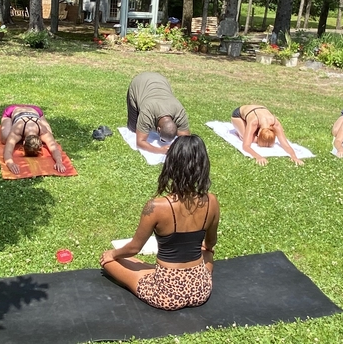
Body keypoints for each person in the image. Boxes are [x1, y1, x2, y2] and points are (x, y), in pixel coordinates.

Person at [100, 135, 220, 311]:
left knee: (108, 260)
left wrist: (113, 254)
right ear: (203, 165)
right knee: (207, 254)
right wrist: (206, 249)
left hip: (165, 293)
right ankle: (154, 270)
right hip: (200, 289)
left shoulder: (156, 206)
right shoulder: (212, 201)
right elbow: (210, 244)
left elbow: (134, 248)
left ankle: (136, 266)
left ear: (171, 164)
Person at [126, 72, 190, 154]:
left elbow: (187, 140)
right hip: (139, 82)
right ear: (158, 129)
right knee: (133, 129)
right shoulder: (147, 113)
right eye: (162, 140)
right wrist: (160, 150)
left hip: (161, 81)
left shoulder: (180, 112)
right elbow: (140, 142)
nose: (162, 142)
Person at [0, 104, 67, 175]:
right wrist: (10, 163)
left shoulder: (43, 130)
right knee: (5, 139)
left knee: (50, 134)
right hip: (12, 110)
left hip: (35, 111)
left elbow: (54, 149)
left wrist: (59, 162)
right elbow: (7, 151)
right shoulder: (18, 129)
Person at [230, 105, 303, 166]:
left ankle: (252, 133)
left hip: (259, 111)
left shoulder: (275, 123)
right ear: (258, 133)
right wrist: (258, 157)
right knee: (244, 138)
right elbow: (245, 145)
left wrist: (294, 157)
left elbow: (285, 144)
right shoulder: (254, 122)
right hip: (238, 115)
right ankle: (241, 130)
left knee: (252, 137)